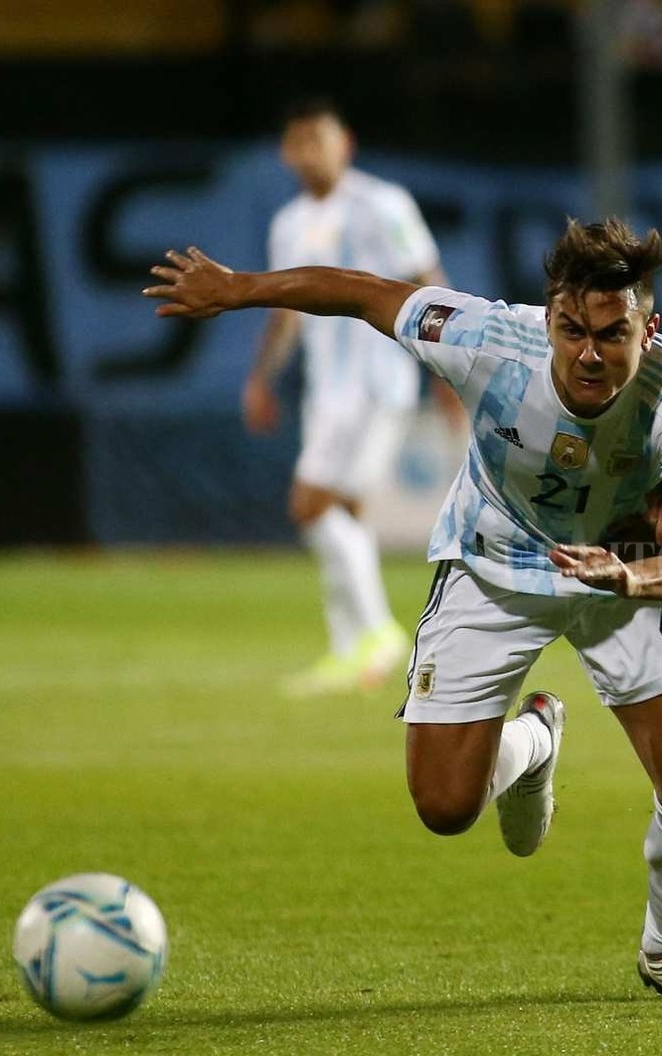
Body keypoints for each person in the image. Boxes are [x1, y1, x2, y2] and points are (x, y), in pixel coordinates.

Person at [145, 219, 662, 1002]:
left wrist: (632, 581)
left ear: (650, 328)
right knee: (443, 807)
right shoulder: (489, 340)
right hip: (492, 566)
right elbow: (365, 294)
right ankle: (534, 738)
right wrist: (241, 291)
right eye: (572, 330)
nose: (589, 353)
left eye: (612, 333)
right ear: (548, 318)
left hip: (620, 572)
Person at [246, 96, 455, 697]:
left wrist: (448, 370)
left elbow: (427, 281)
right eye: (299, 141)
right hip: (325, 390)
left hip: (376, 381)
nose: (310, 151)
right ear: (286, 153)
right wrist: (262, 377)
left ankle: (377, 632)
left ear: (347, 143)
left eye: (320, 138)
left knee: (310, 505)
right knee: (348, 514)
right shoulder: (287, 223)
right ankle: (351, 649)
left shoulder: (382, 203)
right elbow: (285, 312)